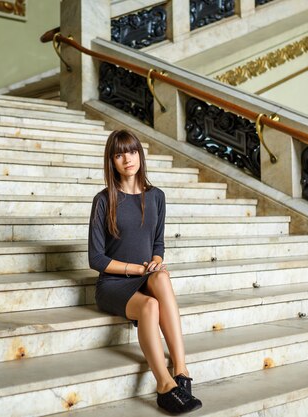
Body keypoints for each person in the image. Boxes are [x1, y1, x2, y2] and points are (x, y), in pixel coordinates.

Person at [88, 129, 202, 414]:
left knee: (162, 274)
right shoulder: (104, 200)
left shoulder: (157, 197)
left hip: (145, 276)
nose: (127, 158)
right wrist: (136, 269)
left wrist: (154, 260)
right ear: (112, 161)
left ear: (140, 155)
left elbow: (158, 242)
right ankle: (164, 385)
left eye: (132, 151)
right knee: (150, 306)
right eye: (119, 154)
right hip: (113, 284)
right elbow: (96, 259)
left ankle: (182, 370)